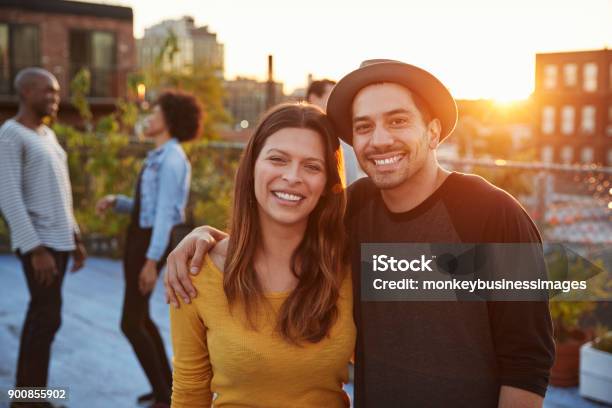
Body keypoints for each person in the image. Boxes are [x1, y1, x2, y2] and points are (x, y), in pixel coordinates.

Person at [163, 60, 555, 407]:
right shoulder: (355, 211)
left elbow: (527, 362)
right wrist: (204, 236)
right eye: (364, 127)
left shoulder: (493, 213)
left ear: (433, 132)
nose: (380, 139)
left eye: (398, 120)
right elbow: (285, 219)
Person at [169, 103, 355, 407]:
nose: (292, 176)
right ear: (252, 166)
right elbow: (190, 392)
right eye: (278, 159)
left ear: (327, 185)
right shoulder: (196, 270)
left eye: (312, 166)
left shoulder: (349, 268)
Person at [96, 90, 202, 408]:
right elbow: (149, 207)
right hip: (140, 240)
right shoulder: (158, 155)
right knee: (141, 318)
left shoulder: (171, 159)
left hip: (147, 245)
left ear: (168, 119)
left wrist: (150, 261)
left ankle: (164, 395)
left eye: (155, 113)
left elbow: (165, 216)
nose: (149, 117)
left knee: (130, 322)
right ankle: (165, 389)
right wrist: (118, 202)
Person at [0, 67, 87, 405]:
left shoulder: (47, 136)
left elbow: (60, 191)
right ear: (25, 93)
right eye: (46, 92)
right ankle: (28, 397)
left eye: (56, 92)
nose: (55, 98)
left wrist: (75, 237)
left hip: (59, 239)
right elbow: (8, 195)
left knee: (44, 316)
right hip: (40, 243)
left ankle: (30, 394)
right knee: (46, 316)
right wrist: (35, 248)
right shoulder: (10, 134)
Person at [306, 79, 365, 186]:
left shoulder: (344, 140)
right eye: (331, 97)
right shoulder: (294, 137)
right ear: (313, 98)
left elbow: (351, 182)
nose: (336, 103)